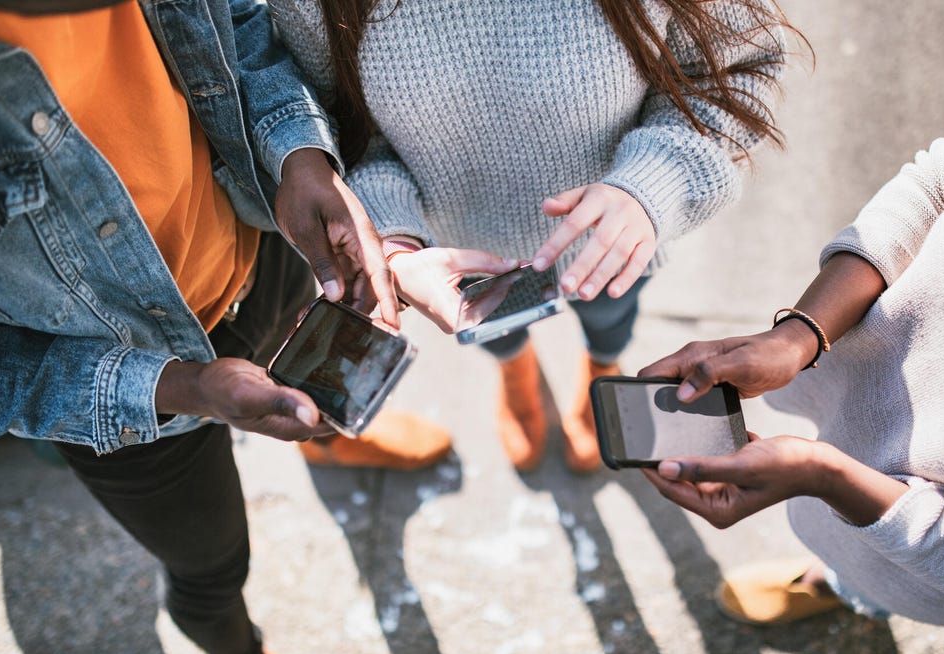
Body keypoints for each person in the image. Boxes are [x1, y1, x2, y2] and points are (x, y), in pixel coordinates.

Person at [0, 0, 405, 654]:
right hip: (132, 398)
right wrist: (181, 386)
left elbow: (238, 19)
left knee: (316, 377)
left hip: (258, 245)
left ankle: (332, 435)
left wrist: (298, 154)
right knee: (213, 567)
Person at [639, 16, 944, 644]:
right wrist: (799, 337)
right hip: (848, 355)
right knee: (851, 541)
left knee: (878, 567)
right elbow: (938, 182)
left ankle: (850, 587)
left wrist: (825, 475)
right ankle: (845, 576)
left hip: (937, 554)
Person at [270, 0, 795, 472]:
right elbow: (336, 129)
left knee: (611, 318)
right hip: (460, 251)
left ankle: (600, 370)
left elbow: (734, 72)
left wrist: (650, 185)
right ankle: (518, 374)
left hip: (614, 241)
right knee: (493, 329)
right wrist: (391, 237)